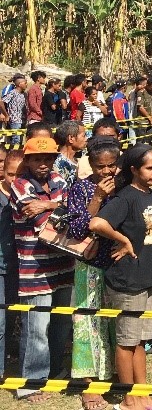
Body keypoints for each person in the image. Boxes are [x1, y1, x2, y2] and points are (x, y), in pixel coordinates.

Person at [89, 144, 152, 410]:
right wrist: (123, 240)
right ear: (134, 169)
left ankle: (142, 392)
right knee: (126, 342)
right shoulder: (126, 198)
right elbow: (97, 223)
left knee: (142, 341)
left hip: (150, 280)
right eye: (150, 168)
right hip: (128, 282)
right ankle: (127, 397)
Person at [11, 136, 75, 402]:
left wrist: (50, 204)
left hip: (64, 264)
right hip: (34, 268)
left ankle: (56, 371)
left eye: (48, 158)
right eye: (38, 159)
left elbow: (74, 209)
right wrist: (60, 209)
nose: (43, 164)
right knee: (37, 327)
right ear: (27, 160)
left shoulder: (59, 180)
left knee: (61, 322)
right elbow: (42, 221)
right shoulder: (19, 185)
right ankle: (31, 383)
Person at [66, 135, 121, 410]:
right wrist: (98, 197)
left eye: (112, 165)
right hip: (90, 265)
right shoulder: (80, 189)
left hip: (118, 265)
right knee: (88, 322)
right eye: (101, 166)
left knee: (114, 322)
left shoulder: (124, 187)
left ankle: (113, 375)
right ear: (91, 164)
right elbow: (76, 229)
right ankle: (89, 383)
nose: (107, 171)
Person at [0, 149, 19, 380]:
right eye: (11, 174)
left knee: (14, 318)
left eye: (19, 174)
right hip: (1, 268)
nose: (15, 180)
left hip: (21, 267)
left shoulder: (28, 196)